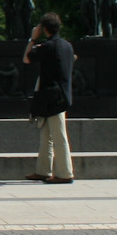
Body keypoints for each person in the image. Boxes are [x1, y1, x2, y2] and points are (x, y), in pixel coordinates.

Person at [23, 11, 75, 185]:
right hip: (61, 96)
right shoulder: (68, 46)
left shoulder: (47, 46)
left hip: (51, 97)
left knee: (58, 136)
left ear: (44, 29)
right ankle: (43, 170)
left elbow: (26, 59)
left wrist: (32, 39)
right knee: (46, 135)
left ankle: (65, 173)